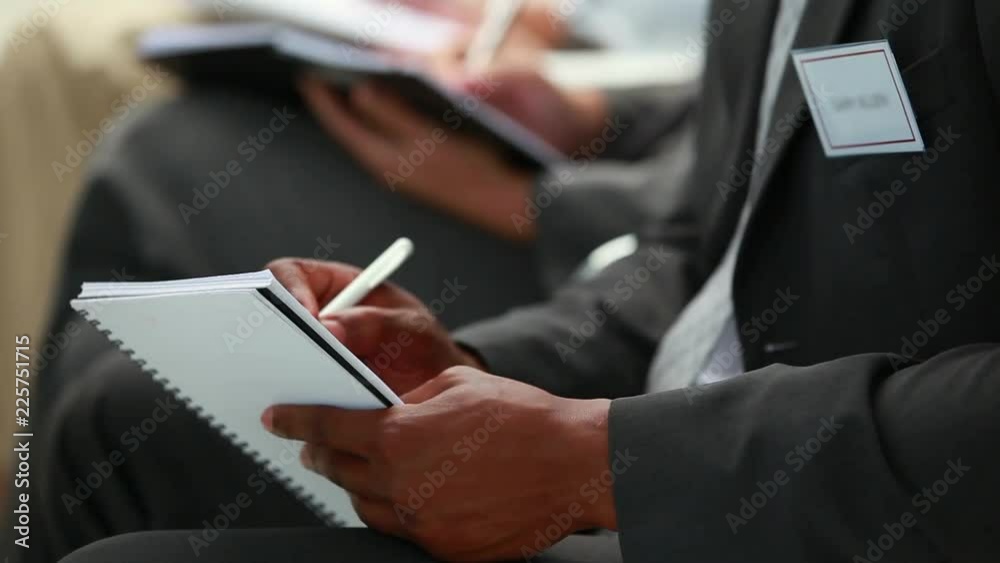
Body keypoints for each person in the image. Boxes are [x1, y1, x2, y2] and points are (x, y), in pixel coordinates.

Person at [46, 0, 1000, 561]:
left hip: (805, 499)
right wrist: (461, 365)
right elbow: (709, 267)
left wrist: (606, 463)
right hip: (675, 420)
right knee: (124, 419)